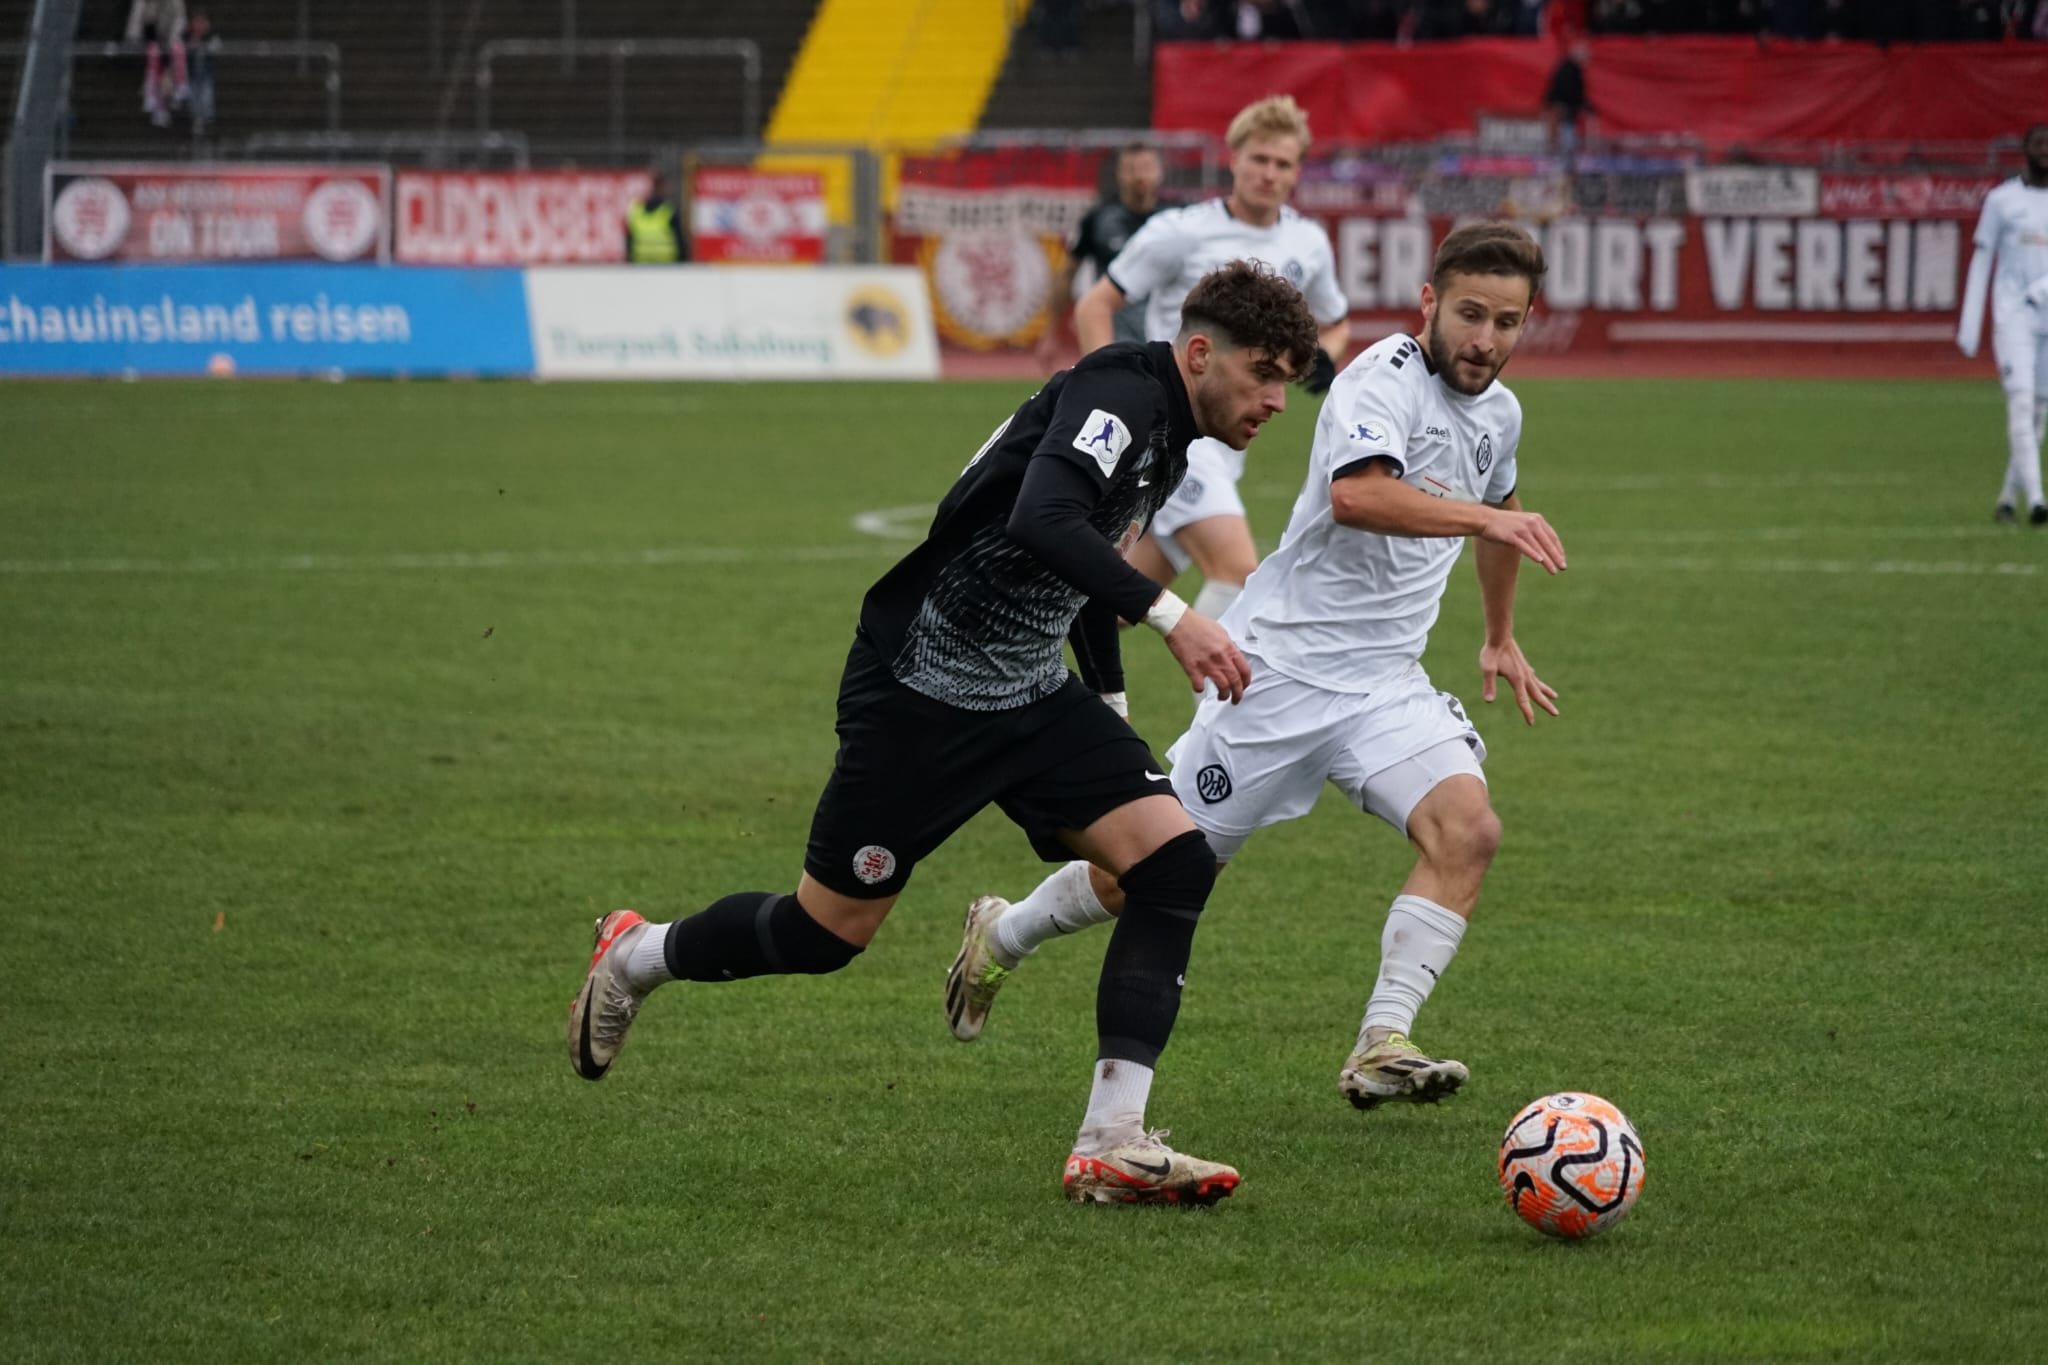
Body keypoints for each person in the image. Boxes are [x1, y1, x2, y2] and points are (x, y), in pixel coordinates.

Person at [568, 260, 1320, 1206]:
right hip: (919, 689)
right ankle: (638, 952)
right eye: (1264, 374)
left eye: (1286, 379)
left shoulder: (1168, 429)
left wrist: (1112, 712)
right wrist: (1178, 618)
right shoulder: (1120, 395)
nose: (1277, 399)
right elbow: (1043, 515)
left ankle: (1112, 1140)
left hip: (1030, 693)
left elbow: (1079, 561)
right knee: (826, 930)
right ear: (1202, 353)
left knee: (1172, 864)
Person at [947, 225, 1566, 1117]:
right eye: (1470, 313)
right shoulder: (1379, 379)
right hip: (1274, 674)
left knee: (1468, 832)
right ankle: (1002, 933)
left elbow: (1503, 509)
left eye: (1508, 321)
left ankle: (1381, 1040)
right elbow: (1359, 495)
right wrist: (1483, 520)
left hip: (1385, 682)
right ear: (1429, 303)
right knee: (1148, 871)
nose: (1486, 339)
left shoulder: (1501, 414)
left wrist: (1499, 632)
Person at [1073, 95, 1351, 625]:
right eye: (1259, 159)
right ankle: (1220, 708)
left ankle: (1017, 664)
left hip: (1229, 440)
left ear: (1297, 172)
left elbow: (1337, 322)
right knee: (1237, 571)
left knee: (1111, 609)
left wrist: (1323, 357)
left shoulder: (1308, 241)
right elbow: (1096, 304)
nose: (1269, 173)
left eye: (1282, 163)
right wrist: (1109, 391)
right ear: (1234, 159)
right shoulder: (1180, 231)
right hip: (1170, 426)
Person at [1957, 123, 2048, 526]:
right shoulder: (2001, 200)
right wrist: (1970, 324)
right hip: (2014, 317)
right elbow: (1981, 259)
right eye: (2038, 143)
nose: (2045, 150)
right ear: (2024, 149)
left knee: (2038, 414)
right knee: (2021, 402)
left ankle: (2008, 499)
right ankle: (2040, 502)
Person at [1035, 143, 1163, 374]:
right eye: (1131, 168)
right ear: (1120, 174)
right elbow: (1067, 274)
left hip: (1165, 338)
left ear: (1159, 171)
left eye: (1146, 167)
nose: (1139, 176)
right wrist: (1050, 333)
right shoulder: (1098, 219)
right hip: (1112, 339)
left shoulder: (1174, 220)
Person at [124, 0, 188, 129]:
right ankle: (158, 103)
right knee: (155, 59)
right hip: (152, 37)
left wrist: (172, 39)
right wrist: (132, 38)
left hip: (169, 37)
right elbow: (136, 19)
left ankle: (176, 88)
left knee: (174, 52)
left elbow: (180, 20)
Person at [624, 171, 687, 264]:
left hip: (640, 264)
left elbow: (629, 240)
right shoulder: (669, 210)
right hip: (666, 264)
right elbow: (679, 240)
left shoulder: (636, 210)